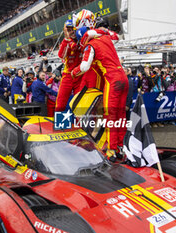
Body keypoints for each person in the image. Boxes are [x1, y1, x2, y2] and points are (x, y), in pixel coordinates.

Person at [71, 27, 129, 162]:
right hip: (124, 78)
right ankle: (120, 147)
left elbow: (85, 66)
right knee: (121, 114)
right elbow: (116, 36)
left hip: (112, 79)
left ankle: (111, 150)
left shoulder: (90, 45)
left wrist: (74, 72)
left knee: (110, 115)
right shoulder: (106, 38)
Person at [55, 19, 83, 112]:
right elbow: (61, 55)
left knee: (79, 103)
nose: (72, 32)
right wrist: (67, 39)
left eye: (73, 29)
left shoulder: (83, 39)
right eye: (69, 30)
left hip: (80, 76)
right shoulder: (65, 42)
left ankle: (80, 125)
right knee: (60, 103)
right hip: (68, 76)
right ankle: (59, 125)